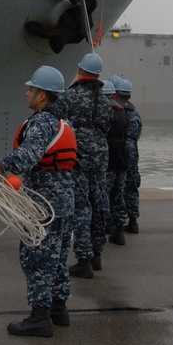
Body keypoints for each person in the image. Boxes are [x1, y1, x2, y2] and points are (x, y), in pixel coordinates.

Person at [0, 65, 77, 337]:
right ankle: (58, 309)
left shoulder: (41, 123)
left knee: (36, 258)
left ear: (41, 95)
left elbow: (28, 155)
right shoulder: (63, 122)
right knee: (58, 258)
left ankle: (39, 317)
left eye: (31, 89)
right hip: (63, 202)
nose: (27, 93)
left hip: (42, 204)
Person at [57, 52, 112, 278]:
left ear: (80, 70)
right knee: (99, 204)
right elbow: (107, 127)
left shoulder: (70, 96)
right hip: (100, 156)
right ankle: (97, 254)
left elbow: (58, 121)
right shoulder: (106, 100)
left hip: (77, 155)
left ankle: (84, 259)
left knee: (81, 207)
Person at [115, 79, 143, 233]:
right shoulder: (135, 114)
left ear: (116, 94)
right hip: (132, 151)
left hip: (118, 149)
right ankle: (133, 220)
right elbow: (138, 134)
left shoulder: (116, 113)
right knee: (131, 186)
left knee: (117, 185)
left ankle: (116, 221)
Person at [104, 80, 128, 246]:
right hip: (122, 157)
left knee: (103, 195)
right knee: (118, 195)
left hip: (108, 159)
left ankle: (104, 226)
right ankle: (118, 230)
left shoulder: (104, 112)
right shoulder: (122, 111)